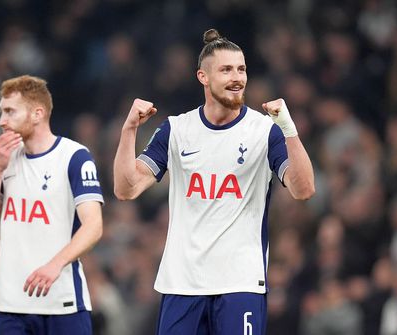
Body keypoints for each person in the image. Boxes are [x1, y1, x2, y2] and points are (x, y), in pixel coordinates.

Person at [113, 29, 315, 335]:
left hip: (240, 283)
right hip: (182, 283)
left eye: (241, 69)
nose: (237, 77)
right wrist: (128, 130)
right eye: (226, 69)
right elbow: (126, 189)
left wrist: (289, 129)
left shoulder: (264, 131)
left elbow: (304, 190)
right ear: (203, 77)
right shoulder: (176, 130)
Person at [0, 75, 104, 334]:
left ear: (37, 113)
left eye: (10, 112)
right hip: (10, 306)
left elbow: (94, 226)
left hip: (62, 304)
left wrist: (55, 264)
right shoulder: (5, 160)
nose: (1, 121)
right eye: (2, 112)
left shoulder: (74, 157)